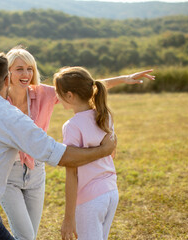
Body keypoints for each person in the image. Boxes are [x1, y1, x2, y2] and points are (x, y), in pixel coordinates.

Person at [0, 46, 154, 240]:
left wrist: (123, 79)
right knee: (26, 235)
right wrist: (105, 149)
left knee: (29, 234)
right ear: (7, 77)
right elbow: (61, 156)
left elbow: (83, 86)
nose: (25, 74)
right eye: (19, 69)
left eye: (30, 68)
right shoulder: (9, 115)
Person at [54, 67, 118, 240]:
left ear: (69, 96)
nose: (57, 98)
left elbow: (72, 172)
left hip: (90, 200)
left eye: (58, 93)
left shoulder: (72, 126)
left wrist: (68, 219)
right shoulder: (104, 114)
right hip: (111, 192)